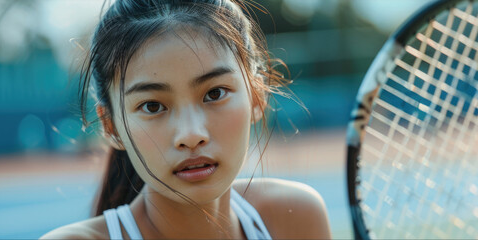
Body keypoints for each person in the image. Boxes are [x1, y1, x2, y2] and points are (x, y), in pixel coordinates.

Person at [41, 0, 331, 239]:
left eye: (215, 93)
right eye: (152, 106)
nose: (191, 134)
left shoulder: (296, 220)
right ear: (111, 127)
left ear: (257, 97)